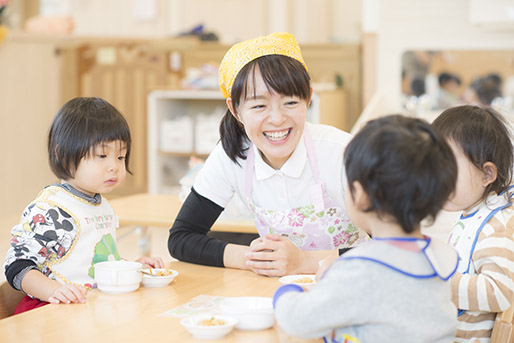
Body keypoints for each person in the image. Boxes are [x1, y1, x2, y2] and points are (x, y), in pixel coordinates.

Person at [168, 32, 368, 277]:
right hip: (279, 291)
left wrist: (303, 262)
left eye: (290, 103)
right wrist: (253, 258)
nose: (277, 119)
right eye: (259, 105)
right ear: (235, 110)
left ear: (308, 99)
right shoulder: (233, 154)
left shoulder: (344, 153)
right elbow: (181, 237)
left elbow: (396, 246)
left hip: (355, 284)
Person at [273, 115, 459, 342]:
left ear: (360, 195)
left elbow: (297, 321)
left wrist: (287, 293)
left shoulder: (362, 270)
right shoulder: (435, 256)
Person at [3, 97, 164, 314]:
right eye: (102, 155)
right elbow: (17, 267)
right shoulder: (51, 209)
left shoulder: (103, 206)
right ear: (62, 154)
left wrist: (129, 266)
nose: (114, 166)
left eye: (120, 156)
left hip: (90, 308)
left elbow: (93, 260)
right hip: (50, 309)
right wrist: (54, 290)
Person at [432, 105, 514, 342]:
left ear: (487, 175)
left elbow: (500, 291)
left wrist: (440, 283)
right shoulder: (473, 213)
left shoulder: (497, 226)